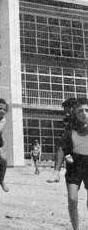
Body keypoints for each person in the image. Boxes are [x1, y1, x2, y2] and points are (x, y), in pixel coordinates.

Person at [57, 98, 88, 230]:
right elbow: (63, 145)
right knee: (72, 198)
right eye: (80, 110)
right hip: (74, 164)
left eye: (86, 110)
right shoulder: (69, 124)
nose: (84, 113)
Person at [47, 98, 77, 183]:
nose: (66, 114)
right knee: (61, 146)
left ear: (73, 108)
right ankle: (56, 173)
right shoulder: (70, 122)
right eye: (65, 112)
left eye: (67, 112)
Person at [0, 98, 9, 192]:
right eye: (0, 108)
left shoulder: (3, 119)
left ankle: (1, 179)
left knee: (4, 159)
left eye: (4, 109)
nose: (2, 111)